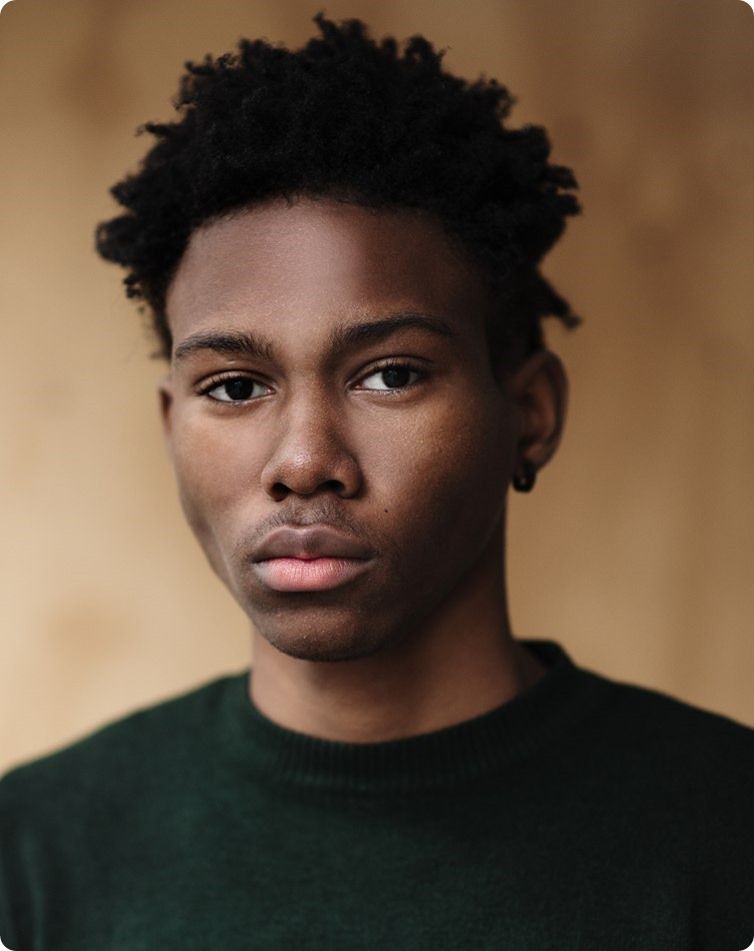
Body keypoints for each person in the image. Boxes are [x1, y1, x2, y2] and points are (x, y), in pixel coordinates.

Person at [1, 14, 752, 950]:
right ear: (170, 428)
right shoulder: (34, 851)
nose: (303, 461)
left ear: (529, 413)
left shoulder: (726, 825)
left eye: (390, 374)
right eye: (233, 387)